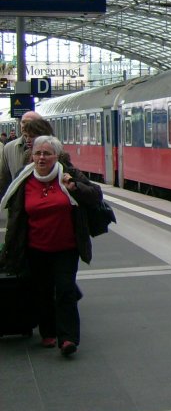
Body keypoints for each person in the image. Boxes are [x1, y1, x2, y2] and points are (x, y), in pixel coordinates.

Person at [0, 135, 101, 356]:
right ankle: (48, 332)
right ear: (32, 156)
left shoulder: (69, 174)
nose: (42, 157)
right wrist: (10, 247)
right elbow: (15, 214)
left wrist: (73, 188)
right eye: (38, 153)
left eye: (47, 153)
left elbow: (95, 195)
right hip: (35, 247)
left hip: (66, 246)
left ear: (57, 156)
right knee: (42, 291)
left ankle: (68, 339)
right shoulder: (23, 179)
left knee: (65, 289)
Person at [0, 112, 53, 197]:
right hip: (18, 201)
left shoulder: (54, 151)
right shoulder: (8, 148)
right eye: (23, 122)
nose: (25, 125)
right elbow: (4, 180)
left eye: (29, 122)